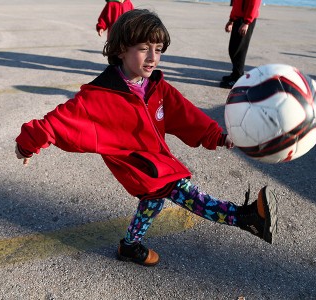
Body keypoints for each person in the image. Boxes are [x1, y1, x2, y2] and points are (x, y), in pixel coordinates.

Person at [15, 9, 277, 266]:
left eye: (159, 49)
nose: (153, 57)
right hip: (140, 168)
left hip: (158, 160)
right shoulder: (97, 98)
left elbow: (188, 115)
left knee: (152, 203)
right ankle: (246, 217)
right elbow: (54, 123)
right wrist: (26, 146)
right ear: (120, 49)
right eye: (144, 48)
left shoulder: (155, 87)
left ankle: (129, 246)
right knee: (189, 195)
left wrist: (217, 136)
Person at [220, 0, 262, 89]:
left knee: (239, 50)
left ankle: (238, 79)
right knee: (233, 49)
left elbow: (254, 3)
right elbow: (236, 4)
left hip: (245, 20)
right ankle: (235, 74)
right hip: (238, 19)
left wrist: (247, 22)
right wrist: (231, 20)